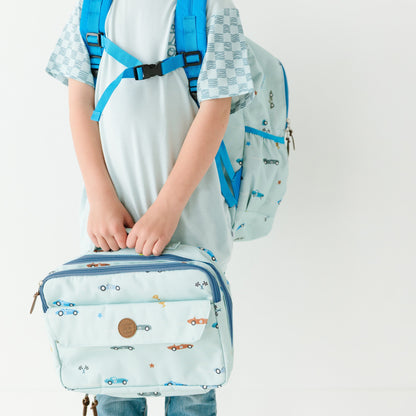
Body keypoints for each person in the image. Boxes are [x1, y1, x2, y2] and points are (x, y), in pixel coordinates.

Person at [45, 0, 254, 414]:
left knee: (192, 383)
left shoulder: (213, 9)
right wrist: (100, 197)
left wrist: (167, 209)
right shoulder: (91, 9)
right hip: (110, 231)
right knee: (115, 382)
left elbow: (217, 108)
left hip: (191, 229)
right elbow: (79, 100)